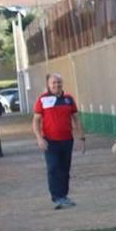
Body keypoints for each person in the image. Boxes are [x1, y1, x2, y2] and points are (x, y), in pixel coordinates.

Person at [31, 73, 85, 209]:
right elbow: (36, 121)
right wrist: (39, 138)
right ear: (48, 85)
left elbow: (76, 118)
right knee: (53, 168)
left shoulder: (68, 99)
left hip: (67, 140)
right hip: (50, 141)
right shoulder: (42, 99)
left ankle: (64, 196)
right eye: (53, 83)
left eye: (59, 82)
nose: (56, 85)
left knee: (65, 169)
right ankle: (56, 197)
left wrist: (81, 136)